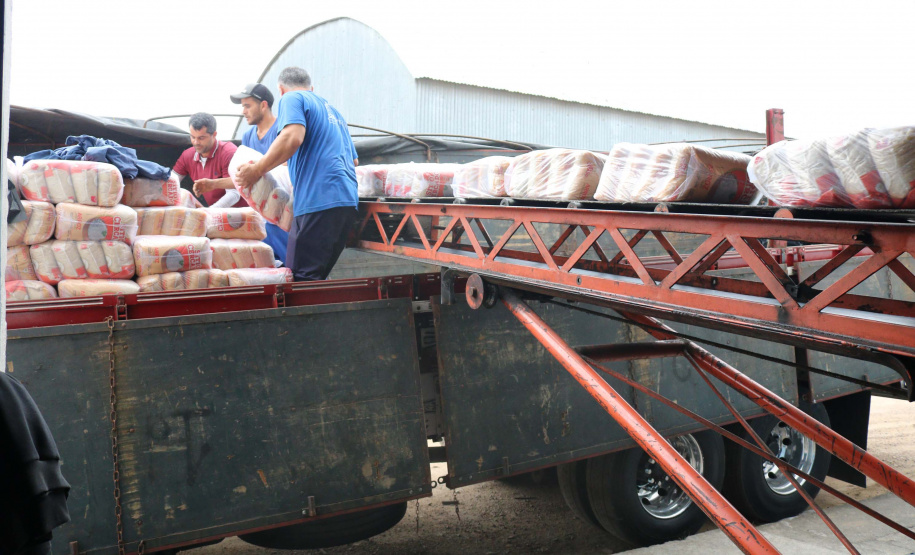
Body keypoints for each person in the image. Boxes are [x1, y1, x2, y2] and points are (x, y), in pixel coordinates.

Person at [234, 67, 359, 281]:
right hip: (346, 203)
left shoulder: (291, 98)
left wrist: (256, 170)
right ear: (312, 87)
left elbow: (292, 138)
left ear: (281, 90)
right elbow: (354, 160)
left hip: (318, 201)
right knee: (316, 278)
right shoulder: (332, 111)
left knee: (299, 280)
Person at [229, 83, 289, 264]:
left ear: (263, 105)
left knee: (296, 266)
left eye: (248, 106)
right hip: (261, 216)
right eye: (242, 107)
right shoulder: (248, 136)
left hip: (284, 213)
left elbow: (287, 169)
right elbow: (245, 176)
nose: (243, 111)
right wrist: (212, 184)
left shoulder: (284, 130)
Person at [172, 113, 247, 208]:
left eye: (201, 138)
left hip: (242, 213)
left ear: (214, 134)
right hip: (213, 212)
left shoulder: (228, 152)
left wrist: (209, 212)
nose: (196, 142)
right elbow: (171, 181)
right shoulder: (187, 155)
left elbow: (234, 194)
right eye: (193, 137)